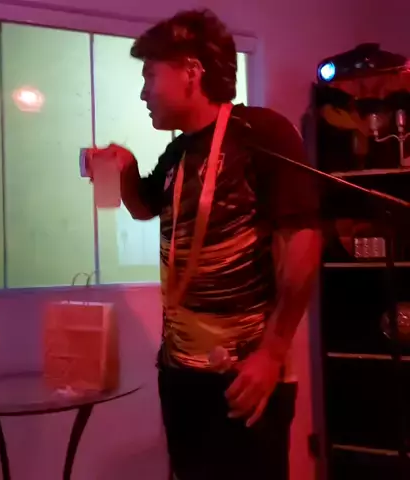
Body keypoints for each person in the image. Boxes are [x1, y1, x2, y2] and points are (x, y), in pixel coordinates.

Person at [87, 9, 322, 480]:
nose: (144, 92)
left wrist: (272, 354)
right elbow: (144, 207)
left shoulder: (262, 133)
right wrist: (125, 169)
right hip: (180, 373)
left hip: (246, 373)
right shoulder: (179, 151)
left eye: (150, 75)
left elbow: (304, 239)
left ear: (192, 72)